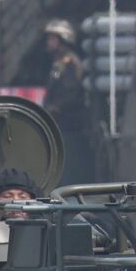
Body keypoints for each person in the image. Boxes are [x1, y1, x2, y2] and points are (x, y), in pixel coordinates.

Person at [42, 19, 95, 186]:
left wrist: (53, 109)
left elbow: (71, 96)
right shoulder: (58, 64)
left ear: (63, 39)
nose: (49, 42)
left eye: (53, 38)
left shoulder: (71, 64)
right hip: (60, 125)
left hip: (70, 126)